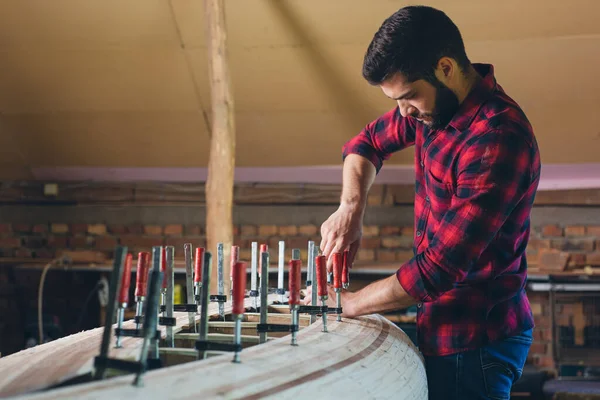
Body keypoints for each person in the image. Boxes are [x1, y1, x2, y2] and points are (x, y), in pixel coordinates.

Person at [303, 5, 541, 400]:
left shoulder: (497, 138)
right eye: (396, 100)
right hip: (443, 327)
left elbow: (437, 269)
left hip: (477, 340)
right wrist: (351, 209)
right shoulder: (433, 108)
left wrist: (349, 304)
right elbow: (366, 144)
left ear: (445, 68)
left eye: (409, 96)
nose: (404, 112)